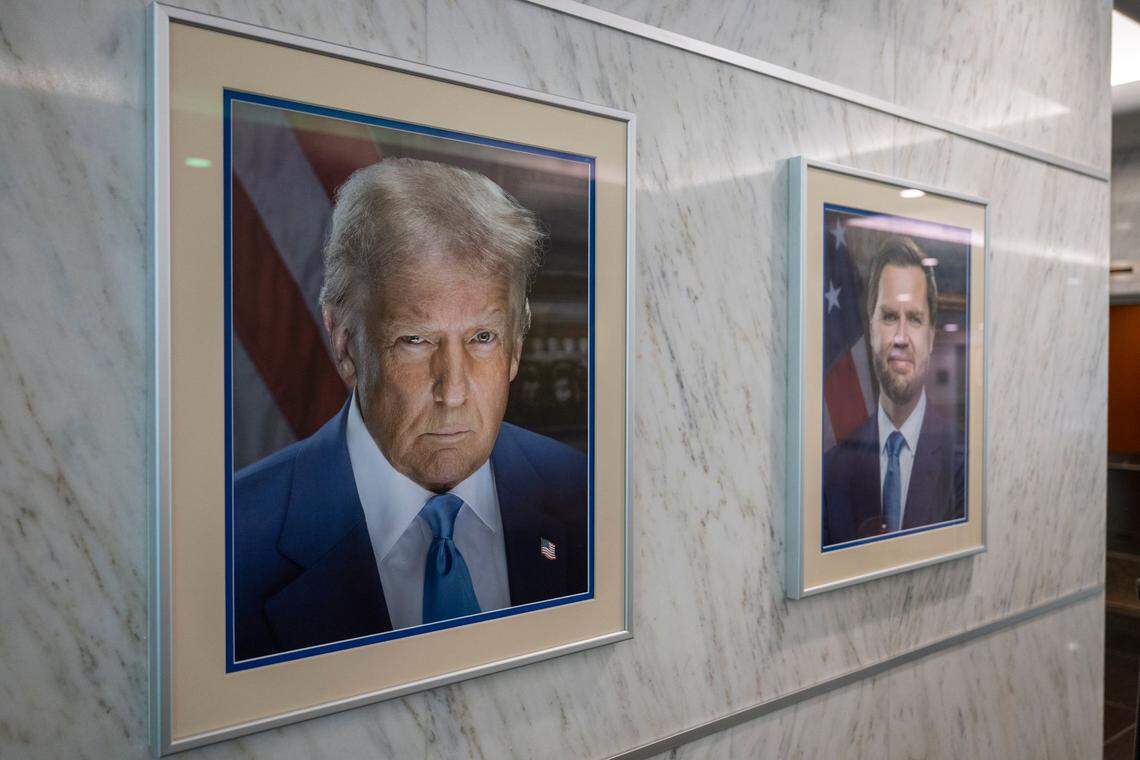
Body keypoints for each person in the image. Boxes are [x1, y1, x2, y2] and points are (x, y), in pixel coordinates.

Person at [233, 158, 587, 661]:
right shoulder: (233, 540)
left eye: (482, 337)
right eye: (415, 340)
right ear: (346, 344)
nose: (454, 391)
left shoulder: (585, 494)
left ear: (516, 347)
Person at [822, 236, 965, 547]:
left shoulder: (963, 462)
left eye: (913, 319)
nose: (900, 337)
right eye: (888, 317)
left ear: (931, 334)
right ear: (871, 328)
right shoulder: (832, 469)